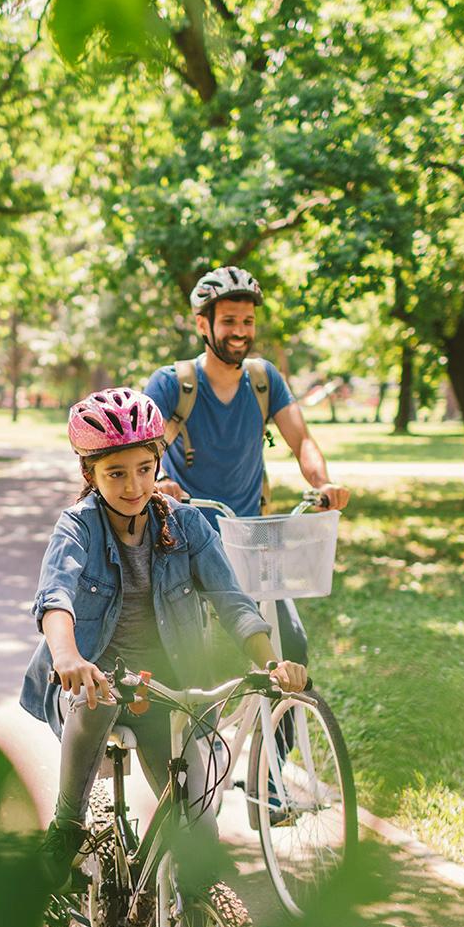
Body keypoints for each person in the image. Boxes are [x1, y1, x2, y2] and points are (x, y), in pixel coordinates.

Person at [21, 388, 307, 885]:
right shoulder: (78, 528)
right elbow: (56, 597)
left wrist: (269, 662)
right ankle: (68, 821)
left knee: (199, 832)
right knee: (98, 695)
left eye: (144, 469)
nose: (133, 485)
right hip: (92, 679)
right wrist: (67, 657)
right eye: (115, 473)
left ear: (158, 465)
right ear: (90, 475)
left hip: (164, 687)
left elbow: (232, 601)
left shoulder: (187, 525)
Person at [143, 265, 348, 668]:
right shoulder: (173, 384)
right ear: (204, 324)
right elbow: (146, 451)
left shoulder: (264, 379)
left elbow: (301, 439)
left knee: (291, 647)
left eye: (248, 321)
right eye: (230, 321)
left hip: (251, 538)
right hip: (188, 540)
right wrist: (162, 479)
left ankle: (282, 730)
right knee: (190, 659)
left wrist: (324, 483)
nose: (240, 331)